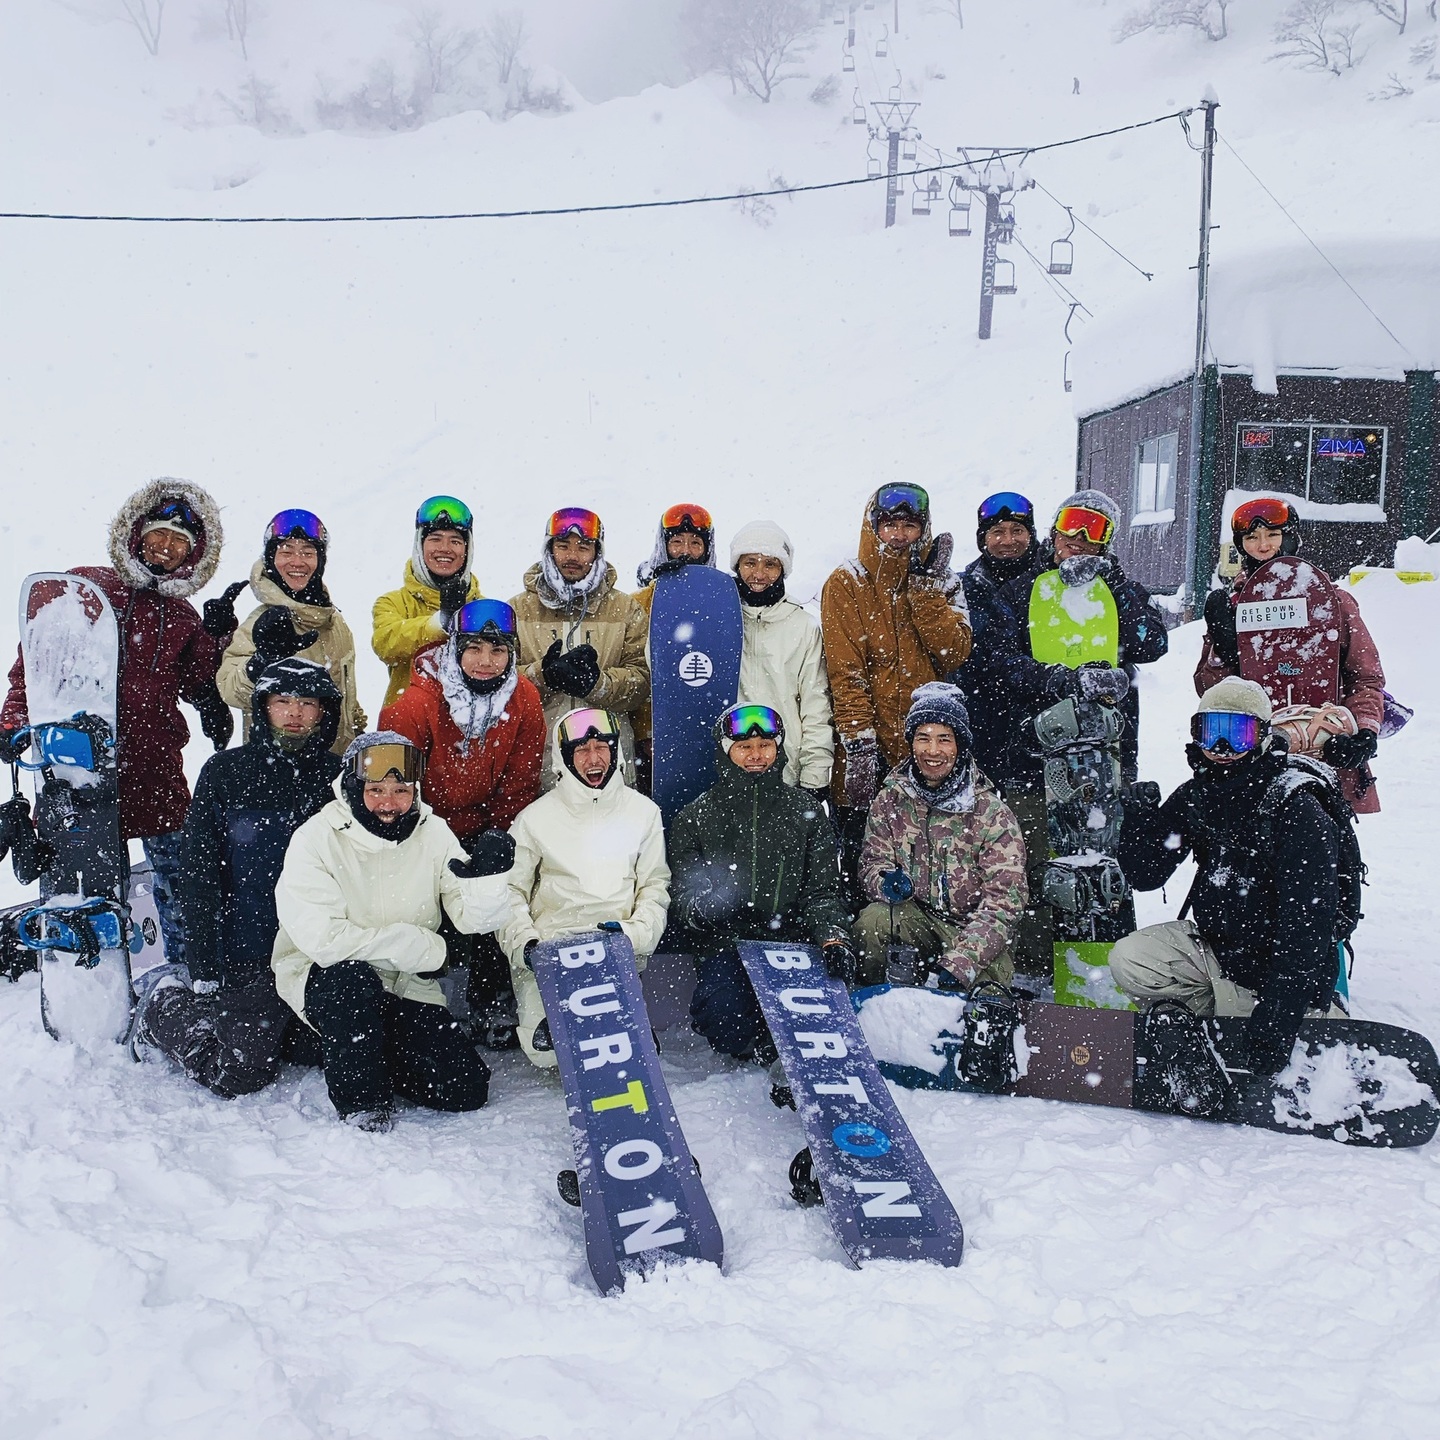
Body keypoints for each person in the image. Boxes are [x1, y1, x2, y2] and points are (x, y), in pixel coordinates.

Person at [0, 479, 232, 966]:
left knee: (179, 873)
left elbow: (196, 681)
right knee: (86, 872)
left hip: (156, 765)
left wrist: (215, 639)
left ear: (192, 557)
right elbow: (36, 663)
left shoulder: (183, 616)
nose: (166, 549)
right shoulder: (85, 587)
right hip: (79, 765)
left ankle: (187, 965)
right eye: (159, 536)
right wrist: (14, 719)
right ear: (137, 534)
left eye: (179, 544)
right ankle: (85, 966)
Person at [1112, 678, 1351, 1114]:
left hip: (1286, 969)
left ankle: (1267, 1017)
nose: (1221, 746)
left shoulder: (1295, 807)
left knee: (1296, 1033)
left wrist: (1281, 1010)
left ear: (1261, 736)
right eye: (1210, 731)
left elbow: (1309, 926)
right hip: (1220, 954)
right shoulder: (1198, 794)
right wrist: (1138, 820)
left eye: (1236, 732)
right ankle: (1212, 1020)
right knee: (1129, 957)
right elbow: (1145, 874)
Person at [270, 731, 514, 1131]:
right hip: (325, 976)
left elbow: (474, 920)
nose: (389, 803)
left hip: (407, 986)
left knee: (465, 1090)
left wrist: (487, 880)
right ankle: (362, 1099)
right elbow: (325, 941)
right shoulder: (316, 839)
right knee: (351, 983)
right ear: (353, 787)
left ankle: (352, 1047)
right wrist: (423, 947)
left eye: (401, 790)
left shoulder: (433, 832)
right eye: (376, 789)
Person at [127, 659, 342, 1095]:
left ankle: (279, 1028)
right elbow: (198, 874)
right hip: (248, 952)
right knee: (239, 1075)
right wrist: (205, 962)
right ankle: (165, 1005)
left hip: (317, 949)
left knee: (328, 1052)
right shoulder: (227, 771)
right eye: (283, 702)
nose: (295, 713)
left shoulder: (340, 777)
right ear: (262, 708)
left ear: (325, 711)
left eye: (307, 703)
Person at [379, 598, 546, 1037]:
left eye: (498, 650)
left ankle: (491, 993)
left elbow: (521, 779)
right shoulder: (413, 706)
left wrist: (498, 833)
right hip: (422, 827)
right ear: (455, 649)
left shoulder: (524, 699)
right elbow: (393, 790)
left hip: (484, 823)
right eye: (474, 649)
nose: (486, 661)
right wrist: (433, 840)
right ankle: (416, 988)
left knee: (498, 883)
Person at [669, 703, 854, 1063]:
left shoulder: (807, 812)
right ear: (727, 751)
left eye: (765, 745)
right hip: (728, 943)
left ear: (778, 749)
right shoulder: (694, 817)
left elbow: (823, 892)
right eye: (745, 747)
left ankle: (778, 1036)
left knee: (810, 1026)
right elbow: (683, 899)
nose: (756, 755)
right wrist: (710, 907)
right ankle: (754, 1036)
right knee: (726, 1024)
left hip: (792, 943)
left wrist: (833, 937)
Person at [820, 484, 973, 892]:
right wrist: (859, 745)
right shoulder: (846, 581)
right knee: (863, 865)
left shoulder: (944, 581)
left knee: (930, 863)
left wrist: (924, 595)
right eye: (890, 525)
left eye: (910, 525)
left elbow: (954, 652)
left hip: (928, 752)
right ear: (874, 527)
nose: (900, 534)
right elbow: (845, 671)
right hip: (866, 753)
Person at [499, 708, 669, 1069]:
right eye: (581, 750)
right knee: (548, 1055)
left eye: (601, 747)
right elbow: (508, 892)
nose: (593, 759)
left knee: (618, 1056)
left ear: (615, 750)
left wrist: (634, 935)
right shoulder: (534, 819)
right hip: (550, 953)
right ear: (564, 757)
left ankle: (620, 1016)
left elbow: (655, 886)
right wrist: (526, 946)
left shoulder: (644, 813)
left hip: (615, 948)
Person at [1195, 495, 1385, 814]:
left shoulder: (1334, 602)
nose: (1263, 544)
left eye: (1272, 534)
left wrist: (1363, 732)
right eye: (1252, 537)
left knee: (1322, 849)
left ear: (1291, 536)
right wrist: (1223, 648)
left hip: (1326, 746)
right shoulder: (1233, 607)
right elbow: (1209, 692)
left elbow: (1365, 675)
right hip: (1254, 753)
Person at [855, 683, 1027, 991]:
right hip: (915, 919)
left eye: (944, 740)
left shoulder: (991, 813)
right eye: (923, 738)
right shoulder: (891, 799)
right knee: (873, 922)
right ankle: (870, 1006)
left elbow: (1005, 903)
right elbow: (872, 862)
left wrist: (963, 961)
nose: (932, 751)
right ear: (911, 743)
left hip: (974, 930)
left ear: (959, 745)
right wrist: (884, 882)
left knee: (986, 995)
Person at [998, 489, 1169, 787]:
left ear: (1106, 543)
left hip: (1109, 745)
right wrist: (1065, 680)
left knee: (1102, 832)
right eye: (1072, 522)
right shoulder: (1019, 591)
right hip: (1035, 746)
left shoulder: (1123, 590)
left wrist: (1115, 585)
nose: (1079, 536)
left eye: (1095, 529)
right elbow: (1004, 664)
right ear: (1055, 530)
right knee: (1035, 833)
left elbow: (1151, 644)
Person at [510, 509, 649, 791]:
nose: (572, 556)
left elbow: (643, 681)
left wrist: (597, 685)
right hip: (540, 764)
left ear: (598, 552)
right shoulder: (516, 609)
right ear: (549, 550)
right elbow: (496, 683)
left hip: (609, 764)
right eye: (562, 546)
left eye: (583, 547)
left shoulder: (625, 609)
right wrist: (542, 677)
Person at [216, 509, 367, 754]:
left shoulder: (335, 622)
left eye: (308, 553)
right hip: (279, 768)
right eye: (286, 552)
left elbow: (347, 694)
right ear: (270, 559)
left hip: (333, 771)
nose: (297, 562)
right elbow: (230, 690)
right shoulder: (260, 623)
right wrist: (262, 661)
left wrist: (358, 739)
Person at [729, 520, 834, 797]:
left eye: (770, 564)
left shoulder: (802, 626)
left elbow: (816, 705)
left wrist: (815, 773)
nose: (759, 574)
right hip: (727, 769)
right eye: (750, 563)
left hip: (785, 770)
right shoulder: (718, 619)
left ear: (783, 569)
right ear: (737, 566)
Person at [630, 503, 717, 792]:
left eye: (695, 543)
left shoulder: (723, 602)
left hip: (708, 733)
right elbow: (638, 669)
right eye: (676, 542)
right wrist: (648, 732)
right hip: (655, 741)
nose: (685, 551)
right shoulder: (640, 603)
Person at [372, 496, 483, 708]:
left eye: (456, 541)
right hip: (407, 727)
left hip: (466, 733)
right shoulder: (393, 602)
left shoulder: (482, 608)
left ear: (467, 550)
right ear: (419, 545)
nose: (445, 548)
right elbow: (385, 643)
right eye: (435, 538)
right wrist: (440, 622)